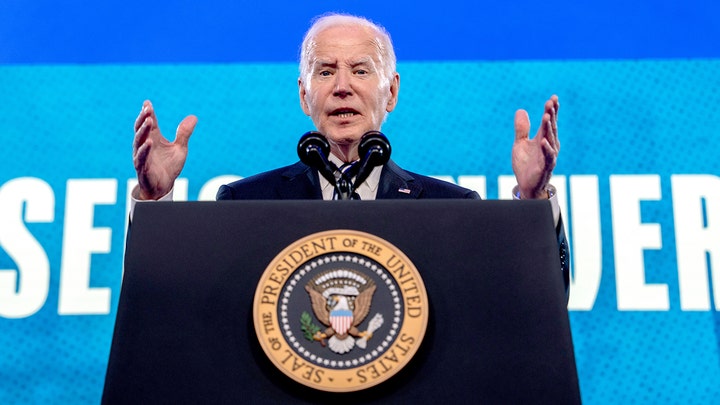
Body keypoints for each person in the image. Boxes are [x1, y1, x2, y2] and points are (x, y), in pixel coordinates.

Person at [131, 13, 568, 290]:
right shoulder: (244, 203)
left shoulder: (449, 208)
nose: (343, 86)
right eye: (325, 71)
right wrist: (153, 203)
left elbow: (533, 300)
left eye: (361, 70)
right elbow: (172, 302)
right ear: (304, 96)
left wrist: (533, 205)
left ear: (391, 91)